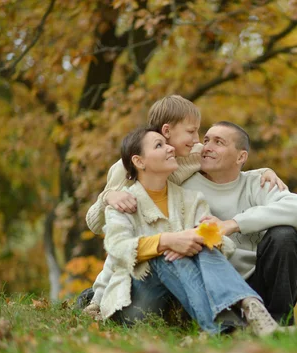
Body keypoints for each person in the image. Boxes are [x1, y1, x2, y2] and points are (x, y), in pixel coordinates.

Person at [79, 95, 285, 311]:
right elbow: (95, 224)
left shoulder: (193, 155)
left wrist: (263, 172)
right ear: (167, 131)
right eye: (191, 131)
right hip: (137, 255)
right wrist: (108, 197)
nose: (198, 139)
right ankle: (96, 298)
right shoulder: (126, 166)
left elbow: (228, 162)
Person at [100, 125, 282, 336]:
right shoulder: (122, 202)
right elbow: (117, 247)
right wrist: (168, 241)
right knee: (166, 256)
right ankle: (225, 325)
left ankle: (249, 310)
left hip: (180, 302)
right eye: (159, 145)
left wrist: (202, 236)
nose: (170, 148)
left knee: (203, 243)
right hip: (136, 303)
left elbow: (226, 245)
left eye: (167, 144)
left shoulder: (191, 198)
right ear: (139, 161)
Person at [182, 121, 297, 325]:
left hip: (260, 284)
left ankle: (281, 324)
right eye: (206, 140)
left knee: (284, 235)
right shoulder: (185, 185)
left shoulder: (257, 182)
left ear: (241, 157)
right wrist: (111, 193)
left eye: (219, 142)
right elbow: (143, 162)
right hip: (213, 286)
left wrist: (232, 224)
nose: (207, 147)